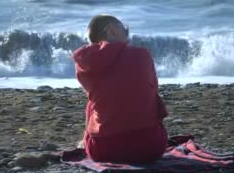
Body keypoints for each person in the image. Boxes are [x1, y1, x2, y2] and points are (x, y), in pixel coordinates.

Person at [72, 14, 168, 163]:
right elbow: (153, 92)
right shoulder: (141, 55)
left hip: (103, 150)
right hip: (151, 147)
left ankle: (87, 140)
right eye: (125, 30)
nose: (128, 35)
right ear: (112, 30)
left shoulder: (84, 62)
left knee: (95, 101)